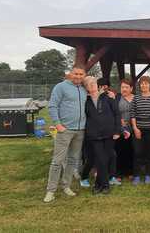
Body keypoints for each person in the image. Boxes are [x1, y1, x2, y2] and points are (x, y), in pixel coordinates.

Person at [44, 65, 87, 203]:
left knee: (73, 160)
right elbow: (52, 106)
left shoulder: (83, 89)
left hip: (80, 130)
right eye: (76, 74)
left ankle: (66, 186)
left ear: (84, 75)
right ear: (71, 74)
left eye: (81, 74)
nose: (78, 76)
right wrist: (58, 124)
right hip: (65, 130)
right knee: (57, 161)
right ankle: (50, 191)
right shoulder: (61, 87)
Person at [83, 76, 121, 195]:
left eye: (93, 83)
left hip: (109, 133)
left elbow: (117, 114)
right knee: (100, 158)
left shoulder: (108, 97)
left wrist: (117, 131)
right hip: (94, 134)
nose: (92, 85)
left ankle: (99, 184)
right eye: (89, 84)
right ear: (86, 88)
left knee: (105, 158)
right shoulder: (85, 100)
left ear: (97, 84)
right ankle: (104, 184)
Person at [130, 76, 150, 185]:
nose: (144, 85)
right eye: (142, 83)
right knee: (138, 152)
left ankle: (148, 175)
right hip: (138, 129)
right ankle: (137, 175)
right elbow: (132, 113)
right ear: (139, 85)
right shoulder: (136, 98)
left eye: (146, 83)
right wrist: (135, 128)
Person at [115, 79, 135, 180]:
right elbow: (113, 111)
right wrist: (119, 120)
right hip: (121, 129)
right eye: (122, 87)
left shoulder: (136, 98)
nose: (124, 89)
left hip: (134, 128)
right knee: (119, 150)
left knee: (131, 150)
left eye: (127, 87)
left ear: (131, 88)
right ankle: (119, 173)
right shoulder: (117, 98)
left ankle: (130, 172)